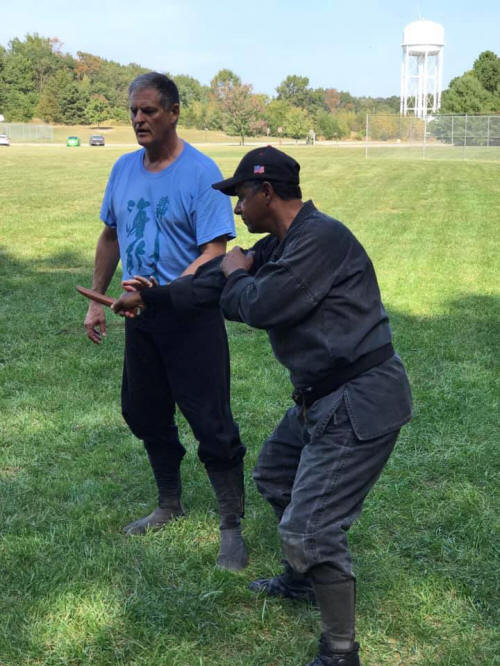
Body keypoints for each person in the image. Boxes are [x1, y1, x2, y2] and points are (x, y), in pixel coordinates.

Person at [112, 146, 413, 666]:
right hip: (320, 396)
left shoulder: (319, 240)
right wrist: (154, 297)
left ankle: (340, 652)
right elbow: (213, 283)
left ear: (266, 192)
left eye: (240, 196)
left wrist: (233, 273)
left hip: (360, 396)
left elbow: (257, 303)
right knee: (275, 474)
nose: (235, 209)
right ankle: (300, 580)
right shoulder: (281, 241)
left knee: (309, 528)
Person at [84, 72, 248, 571]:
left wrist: (159, 295)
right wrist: (98, 300)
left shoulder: (201, 173)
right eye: (134, 111)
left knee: (211, 422)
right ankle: (169, 503)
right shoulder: (123, 168)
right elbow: (111, 234)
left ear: (174, 112)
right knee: (142, 411)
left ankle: (231, 528)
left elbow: (215, 252)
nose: (139, 119)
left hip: (190, 318)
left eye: (150, 110)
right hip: (139, 317)